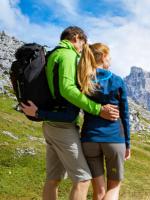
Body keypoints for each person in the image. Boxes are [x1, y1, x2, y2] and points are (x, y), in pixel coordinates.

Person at [21, 26, 119, 200]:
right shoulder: (67, 55)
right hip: (62, 127)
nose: (83, 48)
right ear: (76, 37)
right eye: (83, 43)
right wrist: (98, 109)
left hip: (51, 123)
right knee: (83, 179)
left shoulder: (53, 54)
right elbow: (67, 89)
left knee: (53, 179)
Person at [77, 43, 130, 200]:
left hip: (89, 139)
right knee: (113, 188)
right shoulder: (117, 80)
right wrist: (127, 143)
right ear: (104, 57)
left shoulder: (83, 79)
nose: (111, 60)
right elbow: (125, 115)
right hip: (114, 138)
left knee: (99, 191)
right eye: (110, 57)